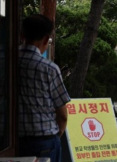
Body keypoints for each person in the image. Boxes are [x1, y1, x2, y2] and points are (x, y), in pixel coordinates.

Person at [18, 14, 70, 162]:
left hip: (6, 141)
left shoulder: (4, 61)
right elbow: (63, 115)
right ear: (46, 39)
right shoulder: (49, 68)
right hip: (43, 141)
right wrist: (55, 136)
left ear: (22, 35)